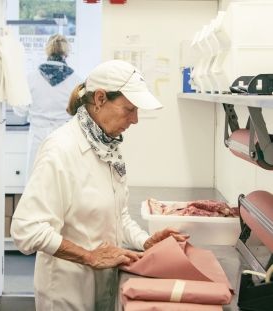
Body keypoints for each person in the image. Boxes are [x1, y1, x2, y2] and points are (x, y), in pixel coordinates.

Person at [11, 59, 189, 311]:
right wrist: (88, 256)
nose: (135, 120)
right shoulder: (61, 149)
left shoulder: (108, 146)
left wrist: (145, 241)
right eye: (129, 109)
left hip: (103, 284)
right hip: (66, 291)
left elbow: (119, 216)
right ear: (100, 99)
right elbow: (26, 229)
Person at [14, 34, 81, 180]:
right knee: (63, 180)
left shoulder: (31, 78)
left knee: (36, 179)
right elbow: (80, 112)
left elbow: (20, 110)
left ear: (47, 51)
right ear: (66, 52)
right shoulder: (76, 81)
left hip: (38, 136)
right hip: (65, 136)